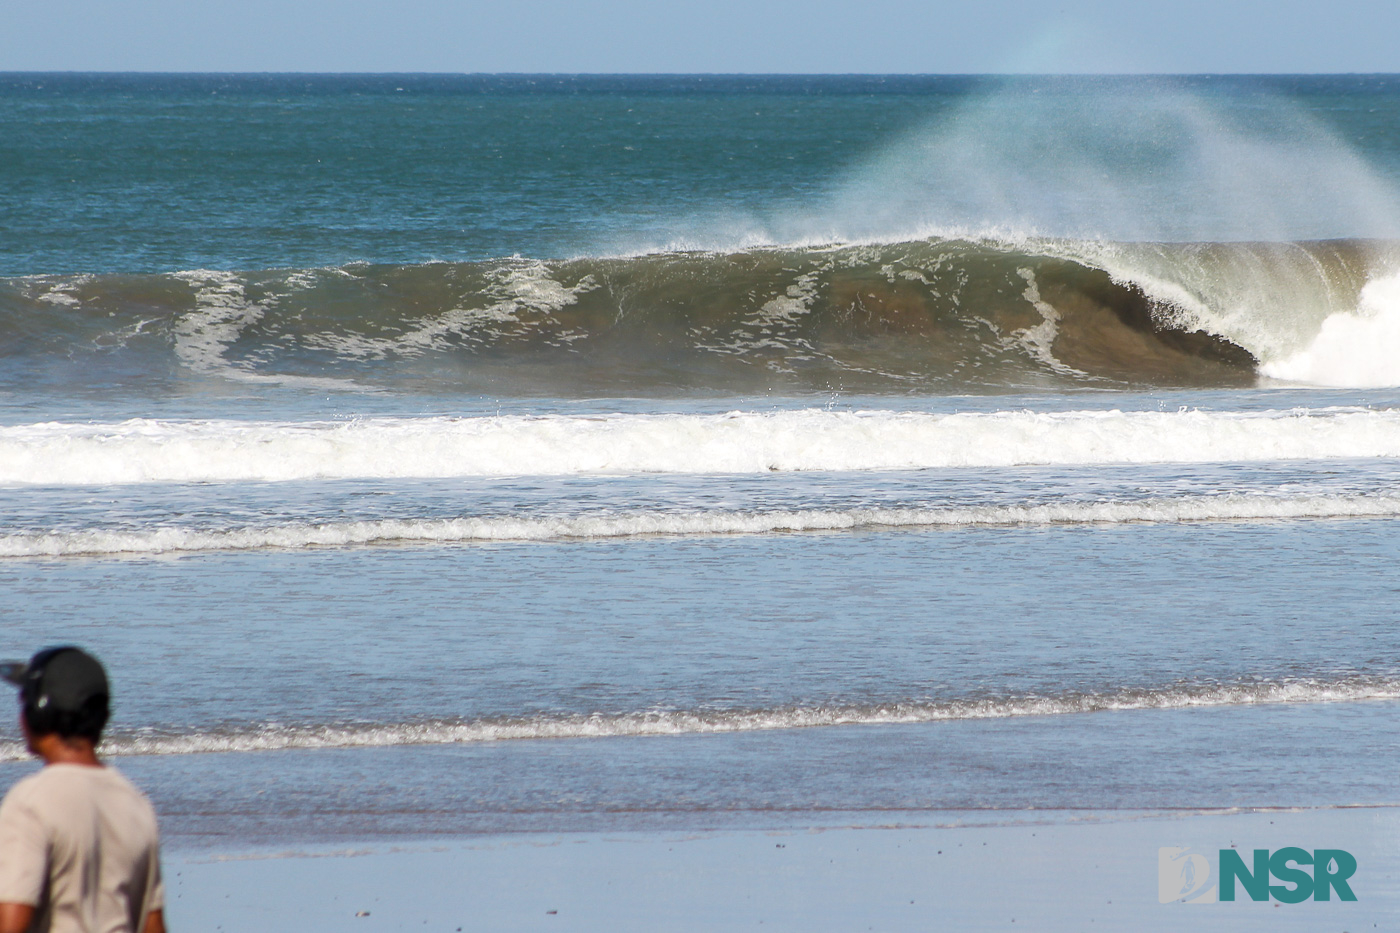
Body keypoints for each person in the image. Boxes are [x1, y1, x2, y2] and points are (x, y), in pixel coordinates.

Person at [0, 647, 165, 933]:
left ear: (38, 713)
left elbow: (10, 924)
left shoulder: (30, 802)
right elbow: (154, 926)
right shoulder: (135, 804)